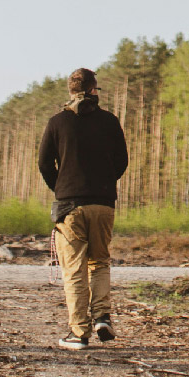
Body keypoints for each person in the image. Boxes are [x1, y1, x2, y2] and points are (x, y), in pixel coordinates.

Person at [38, 68, 128, 350]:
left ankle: (79, 333)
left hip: (70, 205)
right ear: (92, 90)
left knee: (74, 268)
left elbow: (44, 163)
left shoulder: (57, 123)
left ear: (71, 91)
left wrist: (62, 187)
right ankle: (102, 316)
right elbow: (121, 161)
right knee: (99, 262)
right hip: (103, 204)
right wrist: (102, 183)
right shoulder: (110, 121)